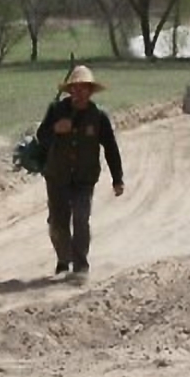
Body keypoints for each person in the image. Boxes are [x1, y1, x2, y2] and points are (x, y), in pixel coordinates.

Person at [36, 65, 125, 280]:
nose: (79, 92)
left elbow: (111, 148)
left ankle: (81, 266)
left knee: (81, 218)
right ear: (69, 91)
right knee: (58, 221)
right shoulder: (56, 110)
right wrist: (55, 129)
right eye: (75, 88)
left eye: (84, 88)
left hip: (85, 178)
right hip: (57, 176)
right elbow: (41, 136)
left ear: (91, 91)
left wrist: (117, 178)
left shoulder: (99, 117)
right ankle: (63, 262)